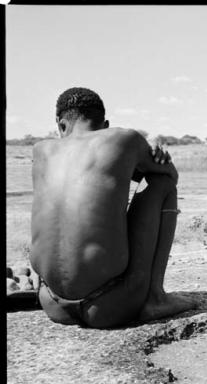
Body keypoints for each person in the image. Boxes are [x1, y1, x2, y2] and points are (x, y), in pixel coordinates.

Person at [30, 87, 196, 328]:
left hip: (52, 303)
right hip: (110, 305)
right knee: (163, 183)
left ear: (60, 125)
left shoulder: (41, 150)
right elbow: (170, 175)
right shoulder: (124, 138)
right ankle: (155, 297)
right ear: (104, 124)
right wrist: (151, 156)